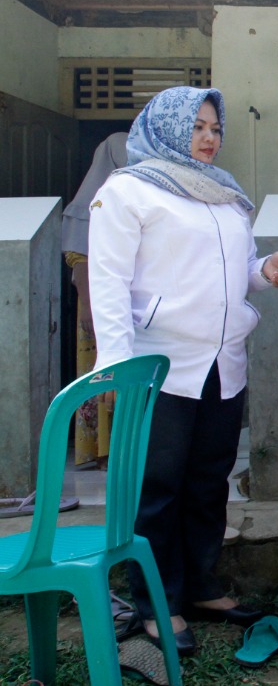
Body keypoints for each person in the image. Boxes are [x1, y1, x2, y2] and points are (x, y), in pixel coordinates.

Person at [90, 86, 278, 656]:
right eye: (198, 127)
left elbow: (229, 267)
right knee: (157, 489)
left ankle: (202, 586)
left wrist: (263, 270)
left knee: (209, 482)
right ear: (168, 127)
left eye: (215, 129)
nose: (209, 138)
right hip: (159, 366)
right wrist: (117, 368)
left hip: (221, 362)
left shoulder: (222, 194)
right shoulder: (129, 192)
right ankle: (160, 602)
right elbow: (107, 283)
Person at [63, 131, 128, 469]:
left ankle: (118, 446)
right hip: (97, 309)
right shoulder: (88, 207)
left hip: (121, 303)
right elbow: (79, 265)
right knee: (104, 373)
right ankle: (102, 452)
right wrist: (89, 307)